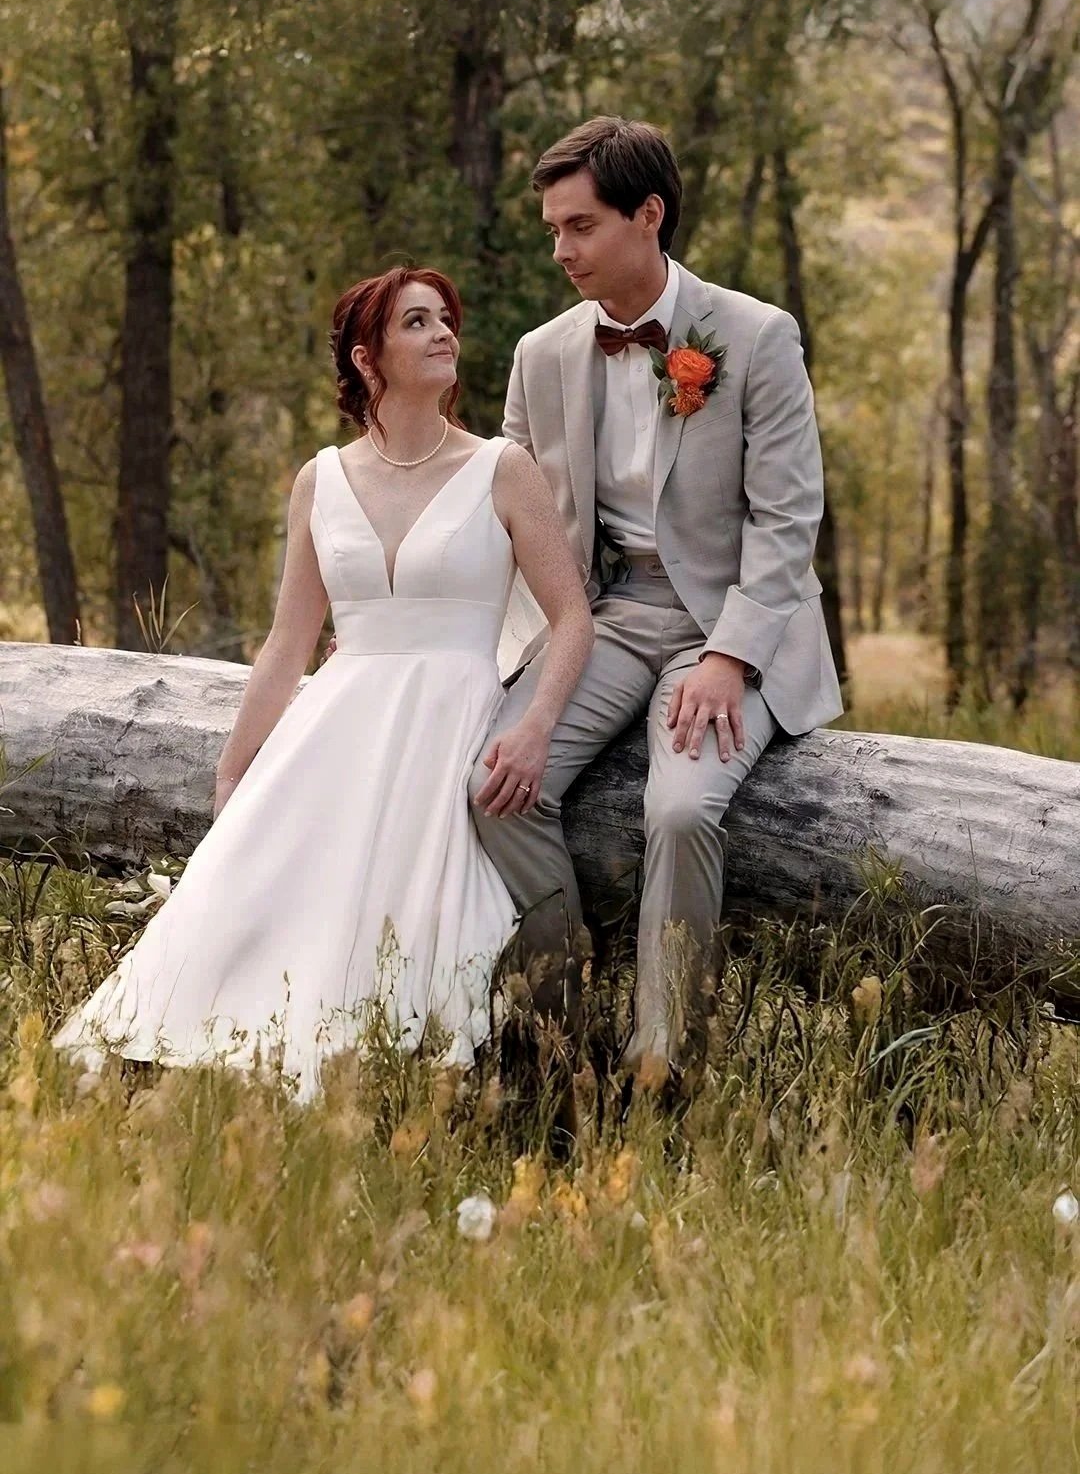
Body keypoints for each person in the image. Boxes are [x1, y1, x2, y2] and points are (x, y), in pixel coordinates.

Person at [53, 267, 593, 1102]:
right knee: (262, 889)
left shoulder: (501, 468)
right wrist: (238, 766)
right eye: (419, 322)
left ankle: (418, 1087)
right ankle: (226, 1072)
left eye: (447, 318)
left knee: (410, 917)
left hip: (447, 720)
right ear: (367, 356)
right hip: (337, 723)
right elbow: (287, 642)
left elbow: (572, 618)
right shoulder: (322, 480)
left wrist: (536, 724)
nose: (445, 332)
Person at [471, 117, 843, 1111]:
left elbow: (788, 518)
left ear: (650, 215)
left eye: (580, 226)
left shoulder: (755, 336)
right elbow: (506, 516)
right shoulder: (541, 354)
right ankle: (559, 1015)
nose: (560, 250)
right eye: (553, 228)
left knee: (679, 806)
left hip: (730, 621)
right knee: (495, 785)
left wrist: (730, 656)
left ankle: (663, 1063)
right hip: (603, 614)